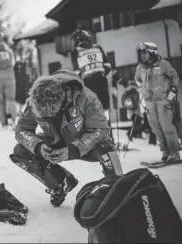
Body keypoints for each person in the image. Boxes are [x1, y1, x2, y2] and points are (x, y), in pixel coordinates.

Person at [10, 69, 123, 208]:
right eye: (43, 115)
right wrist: (38, 147)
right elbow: (21, 129)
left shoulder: (87, 97)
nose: (48, 117)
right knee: (21, 150)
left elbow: (102, 130)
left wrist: (74, 149)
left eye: (51, 113)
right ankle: (60, 183)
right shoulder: (33, 101)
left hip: (85, 144)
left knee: (106, 147)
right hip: (56, 143)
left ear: (63, 98)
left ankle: (118, 190)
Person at [134, 42, 181, 163]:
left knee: (167, 127)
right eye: (141, 53)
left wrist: (173, 89)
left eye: (145, 53)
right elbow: (137, 79)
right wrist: (142, 88)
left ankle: (174, 152)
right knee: (156, 128)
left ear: (152, 52)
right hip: (149, 102)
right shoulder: (140, 67)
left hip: (163, 100)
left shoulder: (163, 64)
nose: (143, 56)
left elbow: (174, 76)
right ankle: (165, 152)